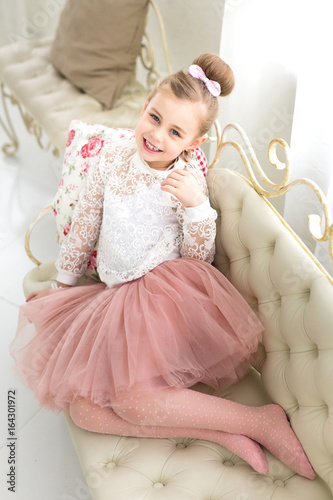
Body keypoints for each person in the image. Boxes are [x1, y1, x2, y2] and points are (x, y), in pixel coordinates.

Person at [10, 53, 315, 480]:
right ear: (145, 107)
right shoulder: (112, 158)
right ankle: (225, 435)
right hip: (112, 298)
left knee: (131, 401)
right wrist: (63, 287)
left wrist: (195, 207)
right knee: (83, 411)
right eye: (154, 118)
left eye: (174, 132)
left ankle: (255, 420)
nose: (156, 134)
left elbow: (198, 260)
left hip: (164, 302)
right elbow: (84, 227)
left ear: (193, 143)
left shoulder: (186, 181)